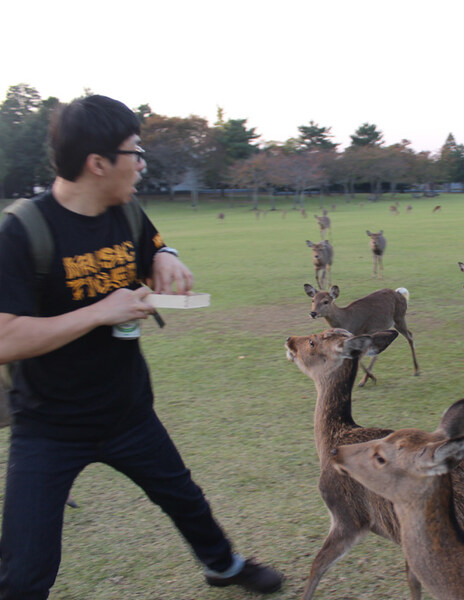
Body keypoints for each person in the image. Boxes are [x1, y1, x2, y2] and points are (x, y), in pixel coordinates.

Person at [0, 95, 283, 598]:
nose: (142, 163)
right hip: (48, 425)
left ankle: (222, 566)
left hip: (127, 410)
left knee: (184, 498)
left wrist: (167, 256)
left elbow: (150, 246)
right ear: (98, 163)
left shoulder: (124, 209)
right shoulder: (22, 231)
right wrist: (99, 311)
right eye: (136, 151)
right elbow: (5, 337)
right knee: (24, 571)